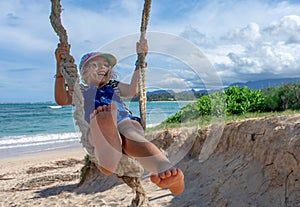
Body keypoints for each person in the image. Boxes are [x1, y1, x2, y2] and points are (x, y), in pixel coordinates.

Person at [54, 39, 185, 194]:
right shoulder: (81, 91)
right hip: (97, 124)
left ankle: (166, 169)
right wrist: (60, 66)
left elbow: (132, 91)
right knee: (98, 132)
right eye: (95, 64)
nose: (102, 67)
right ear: (84, 72)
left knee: (131, 133)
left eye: (105, 64)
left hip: (123, 120)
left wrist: (140, 61)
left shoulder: (113, 85)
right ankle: (107, 137)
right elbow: (62, 99)